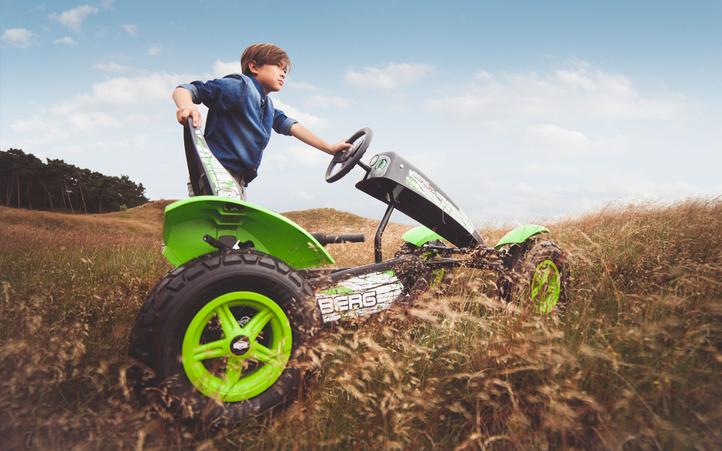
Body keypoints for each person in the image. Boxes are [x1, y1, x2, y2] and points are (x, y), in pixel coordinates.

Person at [172, 43, 351, 198]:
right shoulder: (238, 86)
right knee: (222, 227)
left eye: (285, 71)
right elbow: (185, 89)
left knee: (233, 226)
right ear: (254, 67)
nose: (283, 74)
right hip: (216, 173)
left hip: (238, 180)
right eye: (278, 67)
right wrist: (186, 105)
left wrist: (329, 148)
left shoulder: (266, 106)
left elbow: (292, 126)